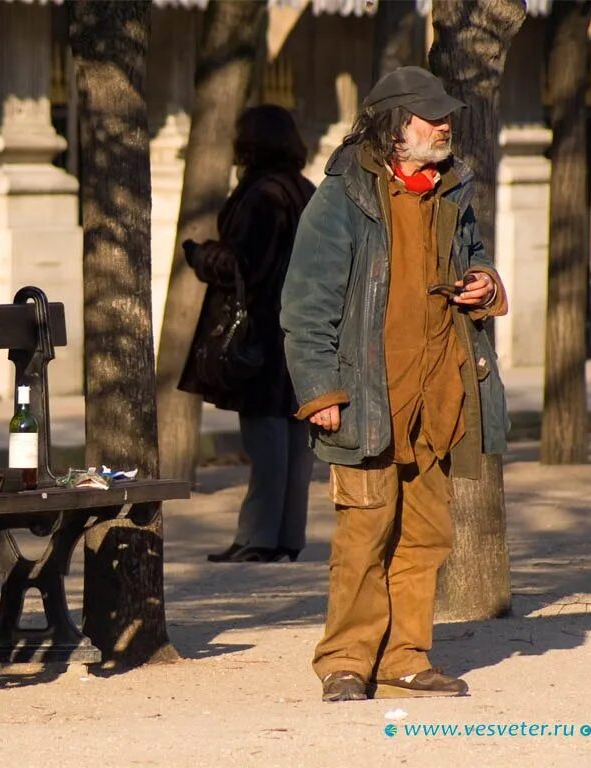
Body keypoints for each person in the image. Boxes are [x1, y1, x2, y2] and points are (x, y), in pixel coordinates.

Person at [281, 66, 510, 702]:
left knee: (427, 534)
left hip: (438, 392)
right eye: (427, 116)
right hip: (367, 398)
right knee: (365, 530)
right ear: (391, 125)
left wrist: (485, 283)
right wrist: (320, 391)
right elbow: (306, 304)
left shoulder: (451, 190)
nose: (443, 126)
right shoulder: (342, 196)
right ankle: (345, 662)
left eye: (445, 116)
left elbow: (476, 256)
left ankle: (405, 657)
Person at [178, 105, 316, 564]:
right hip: (303, 325)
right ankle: (285, 536)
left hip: (261, 327)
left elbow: (244, 266)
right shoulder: (304, 190)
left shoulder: (262, 195)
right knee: (295, 436)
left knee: (266, 437)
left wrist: (200, 256)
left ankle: (258, 538)